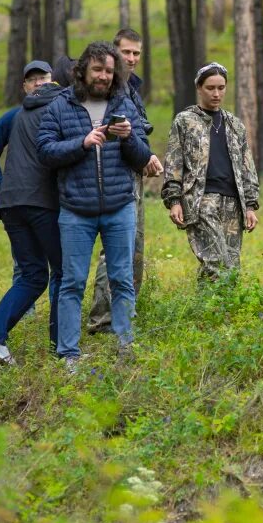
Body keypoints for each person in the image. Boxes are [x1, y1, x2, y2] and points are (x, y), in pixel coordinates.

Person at [37, 42, 152, 371]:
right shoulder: (61, 105)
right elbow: (45, 151)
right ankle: (68, 354)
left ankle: (124, 346)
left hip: (119, 206)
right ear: (83, 70)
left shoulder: (123, 102)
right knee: (72, 282)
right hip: (75, 209)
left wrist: (130, 137)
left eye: (109, 71)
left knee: (122, 279)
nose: (103, 76)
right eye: (97, 70)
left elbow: (143, 157)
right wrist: (82, 143)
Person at [0, 61, 63, 363]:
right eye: (33, 80)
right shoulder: (18, 116)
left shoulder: (41, 112)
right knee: (63, 272)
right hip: (37, 204)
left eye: (44, 78)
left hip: (13, 207)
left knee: (34, 274)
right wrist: (3, 184)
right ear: (24, 86)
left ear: (53, 81)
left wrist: (10, 190)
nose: (39, 84)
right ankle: (63, 349)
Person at [87, 28, 163, 334]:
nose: (131, 58)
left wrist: (147, 156)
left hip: (134, 172)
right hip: (114, 175)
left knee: (134, 249)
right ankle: (102, 320)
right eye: (126, 52)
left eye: (136, 53)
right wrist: (144, 156)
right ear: (113, 52)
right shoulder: (107, 88)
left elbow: (136, 131)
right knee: (117, 249)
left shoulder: (130, 87)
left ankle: (123, 315)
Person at [161, 62, 260, 281]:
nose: (216, 93)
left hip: (233, 202)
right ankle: (214, 312)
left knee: (231, 266)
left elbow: (247, 166)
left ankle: (216, 313)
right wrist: (174, 200)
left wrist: (251, 205)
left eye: (221, 87)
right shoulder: (185, 121)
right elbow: (173, 162)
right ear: (199, 87)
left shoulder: (234, 124)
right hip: (201, 200)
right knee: (215, 262)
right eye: (210, 88)